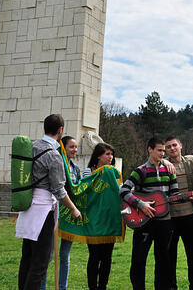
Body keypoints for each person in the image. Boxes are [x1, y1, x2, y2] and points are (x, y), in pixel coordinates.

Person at [16, 114, 82, 290]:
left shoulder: (32, 147)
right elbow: (59, 190)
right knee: (39, 263)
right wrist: (74, 209)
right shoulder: (54, 155)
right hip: (43, 210)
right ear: (60, 130)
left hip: (28, 207)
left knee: (27, 259)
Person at [120, 138, 179, 290]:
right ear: (150, 149)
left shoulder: (169, 171)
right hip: (143, 222)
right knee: (139, 260)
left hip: (165, 222)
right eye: (159, 150)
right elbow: (124, 190)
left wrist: (188, 197)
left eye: (163, 151)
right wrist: (140, 204)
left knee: (163, 260)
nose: (162, 153)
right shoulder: (140, 171)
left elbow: (175, 194)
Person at [40, 136, 81, 290]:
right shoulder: (57, 163)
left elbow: (78, 189)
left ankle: (62, 287)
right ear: (63, 148)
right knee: (48, 255)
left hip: (69, 216)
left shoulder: (76, 169)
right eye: (71, 147)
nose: (75, 150)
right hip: (55, 213)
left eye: (76, 147)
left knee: (64, 255)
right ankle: (42, 287)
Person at [165, 136, 193, 290]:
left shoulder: (191, 161)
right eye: (168, 147)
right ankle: (171, 287)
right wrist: (165, 161)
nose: (172, 148)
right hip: (169, 218)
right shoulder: (163, 165)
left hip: (189, 216)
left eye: (174, 145)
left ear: (180, 145)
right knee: (169, 256)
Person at [83, 143, 117, 290]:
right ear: (98, 156)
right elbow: (86, 192)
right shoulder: (88, 172)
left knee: (107, 257)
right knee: (94, 256)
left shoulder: (114, 172)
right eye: (107, 154)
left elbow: (118, 192)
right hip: (94, 221)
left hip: (109, 220)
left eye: (112, 154)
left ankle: (102, 286)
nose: (111, 157)